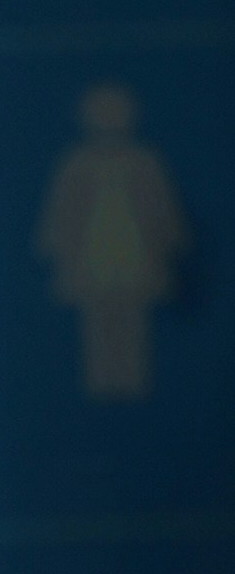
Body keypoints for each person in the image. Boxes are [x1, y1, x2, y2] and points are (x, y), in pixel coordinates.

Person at [38, 84, 187, 397]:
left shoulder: (145, 162)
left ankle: (132, 391)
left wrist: (173, 239)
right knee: (97, 330)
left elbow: (162, 206)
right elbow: (62, 210)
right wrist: (52, 244)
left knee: (132, 329)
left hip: (134, 260)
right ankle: (102, 390)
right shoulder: (75, 164)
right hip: (91, 261)